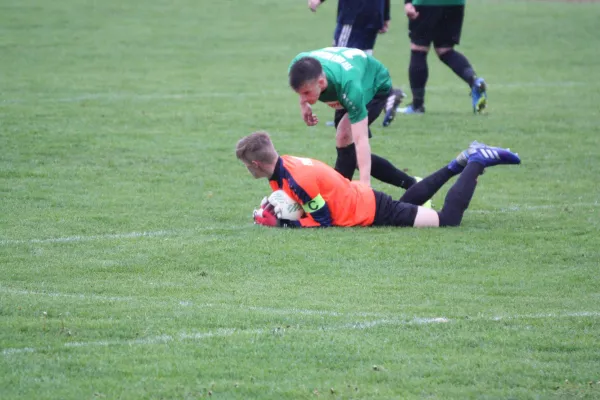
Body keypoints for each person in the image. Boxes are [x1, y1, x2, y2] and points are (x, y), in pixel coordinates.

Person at [235, 131, 521, 228]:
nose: (247, 169)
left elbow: (321, 220)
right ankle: (458, 163)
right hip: (364, 200)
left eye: (246, 165)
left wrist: (283, 224)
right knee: (406, 206)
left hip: (370, 209)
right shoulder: (283, 169)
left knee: (447, 220)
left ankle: (476, 161)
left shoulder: (296, 179)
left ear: (256, 163)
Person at [288, 47, 414, 193]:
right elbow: (303, 85)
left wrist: (365, 185)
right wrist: (304, 104)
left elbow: (361, 139)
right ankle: (413, 184)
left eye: (306, 93)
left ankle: (336, 197)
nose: (303, 97)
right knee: (349, 153)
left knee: (344, 137)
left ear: (321, 83)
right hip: (346, 82)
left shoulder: (350, 88)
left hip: (374, 84)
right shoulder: (298, 65)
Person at [306, 0, 405, 126]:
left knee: (340, 60)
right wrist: (385, 14)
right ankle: (386, 93)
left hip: (355, 12)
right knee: (362, 60)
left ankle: (345, 115)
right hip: (374, 11)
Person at [398, 0, 487, 114]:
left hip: (426, 4)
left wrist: (408, 2)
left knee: (419, 50)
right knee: (445, 50)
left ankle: (417, 105)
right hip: (454, 4)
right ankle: (474, 81)